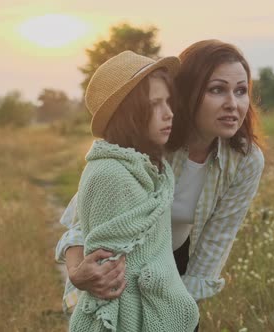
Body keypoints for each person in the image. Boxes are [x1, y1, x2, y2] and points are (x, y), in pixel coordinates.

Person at [56, 40, 265, 327]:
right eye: (217, 89)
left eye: (241, 91)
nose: (233, 103)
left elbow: (215, 244)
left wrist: (174, 315)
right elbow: (82, 222)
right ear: (188, 93)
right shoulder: (150, 140)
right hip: (121, 266)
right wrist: (77, 273)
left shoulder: (245, 160)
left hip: (173, 261)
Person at [67, 50, 199, 332]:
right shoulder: (111, 174)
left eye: (168, 102)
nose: (169, 113)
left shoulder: (150, 168)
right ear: (130, 114)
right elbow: (114, 284)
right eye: (154, 104)